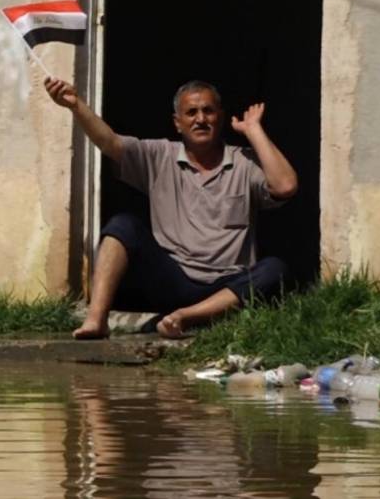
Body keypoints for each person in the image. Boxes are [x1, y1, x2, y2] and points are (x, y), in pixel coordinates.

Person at [44, 77, 298, 339]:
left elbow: (286, 186)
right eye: (191, 112)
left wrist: (254, 130)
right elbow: (111, 143)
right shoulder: (159, 155)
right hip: (173, 280)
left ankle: (188, 317)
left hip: (227, 288)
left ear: (220, 117)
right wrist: (76, 106)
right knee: (122, 226)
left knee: (274, 269)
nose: (201, 119)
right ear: (178, 123)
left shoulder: (244, 161)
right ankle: (97, 320)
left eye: (208, 111)